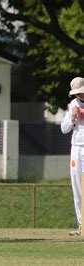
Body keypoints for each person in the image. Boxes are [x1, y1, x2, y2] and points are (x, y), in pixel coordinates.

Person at [61, 77, 84, 236]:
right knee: (77, 187)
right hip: (77, 148)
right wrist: (72, 117)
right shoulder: (73, 105)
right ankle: (82, 225)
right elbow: (64, 129)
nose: (80, 95)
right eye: (77, 93)